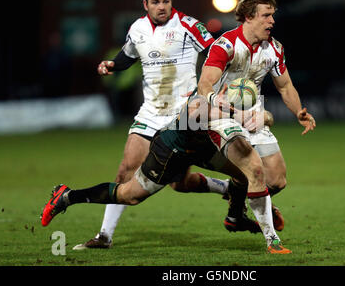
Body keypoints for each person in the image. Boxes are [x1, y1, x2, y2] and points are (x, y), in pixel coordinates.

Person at [75, 0, 230, 250]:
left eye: (166, 1)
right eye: (156, 2)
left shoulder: (188, 25)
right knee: (125, 171)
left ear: (172, 2)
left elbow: (216, 51)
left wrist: (219, 87)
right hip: (150, 113)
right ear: (145, 4)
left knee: (179, 183)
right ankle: (104, 237)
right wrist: (112, 64)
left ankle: (226, 188)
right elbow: (129, 54)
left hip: (184, 115)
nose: (162, 6)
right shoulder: (137, 28)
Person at [40, 89, 292, 254]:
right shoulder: (203, 99)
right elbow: (194, 115)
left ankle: (236, 217)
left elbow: (263, 118)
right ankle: (66, 196)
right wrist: (238, 113)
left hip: (202, 151)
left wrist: (260, 117)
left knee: (243, 173)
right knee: (130, 195)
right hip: (172, 150)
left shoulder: (231, 99)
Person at [170, 0, 316, 231]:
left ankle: (236, 209)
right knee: (182, 181)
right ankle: (239, 206)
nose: (272, 20)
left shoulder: (274, 49)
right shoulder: (225, 45)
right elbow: (205, 83)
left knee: (278, 181)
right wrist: (218, 99)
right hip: (220, 116)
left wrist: (298, 111)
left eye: (273, 15)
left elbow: (285, 85)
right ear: (249, 16)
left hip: (253, 117)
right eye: (266, 15)